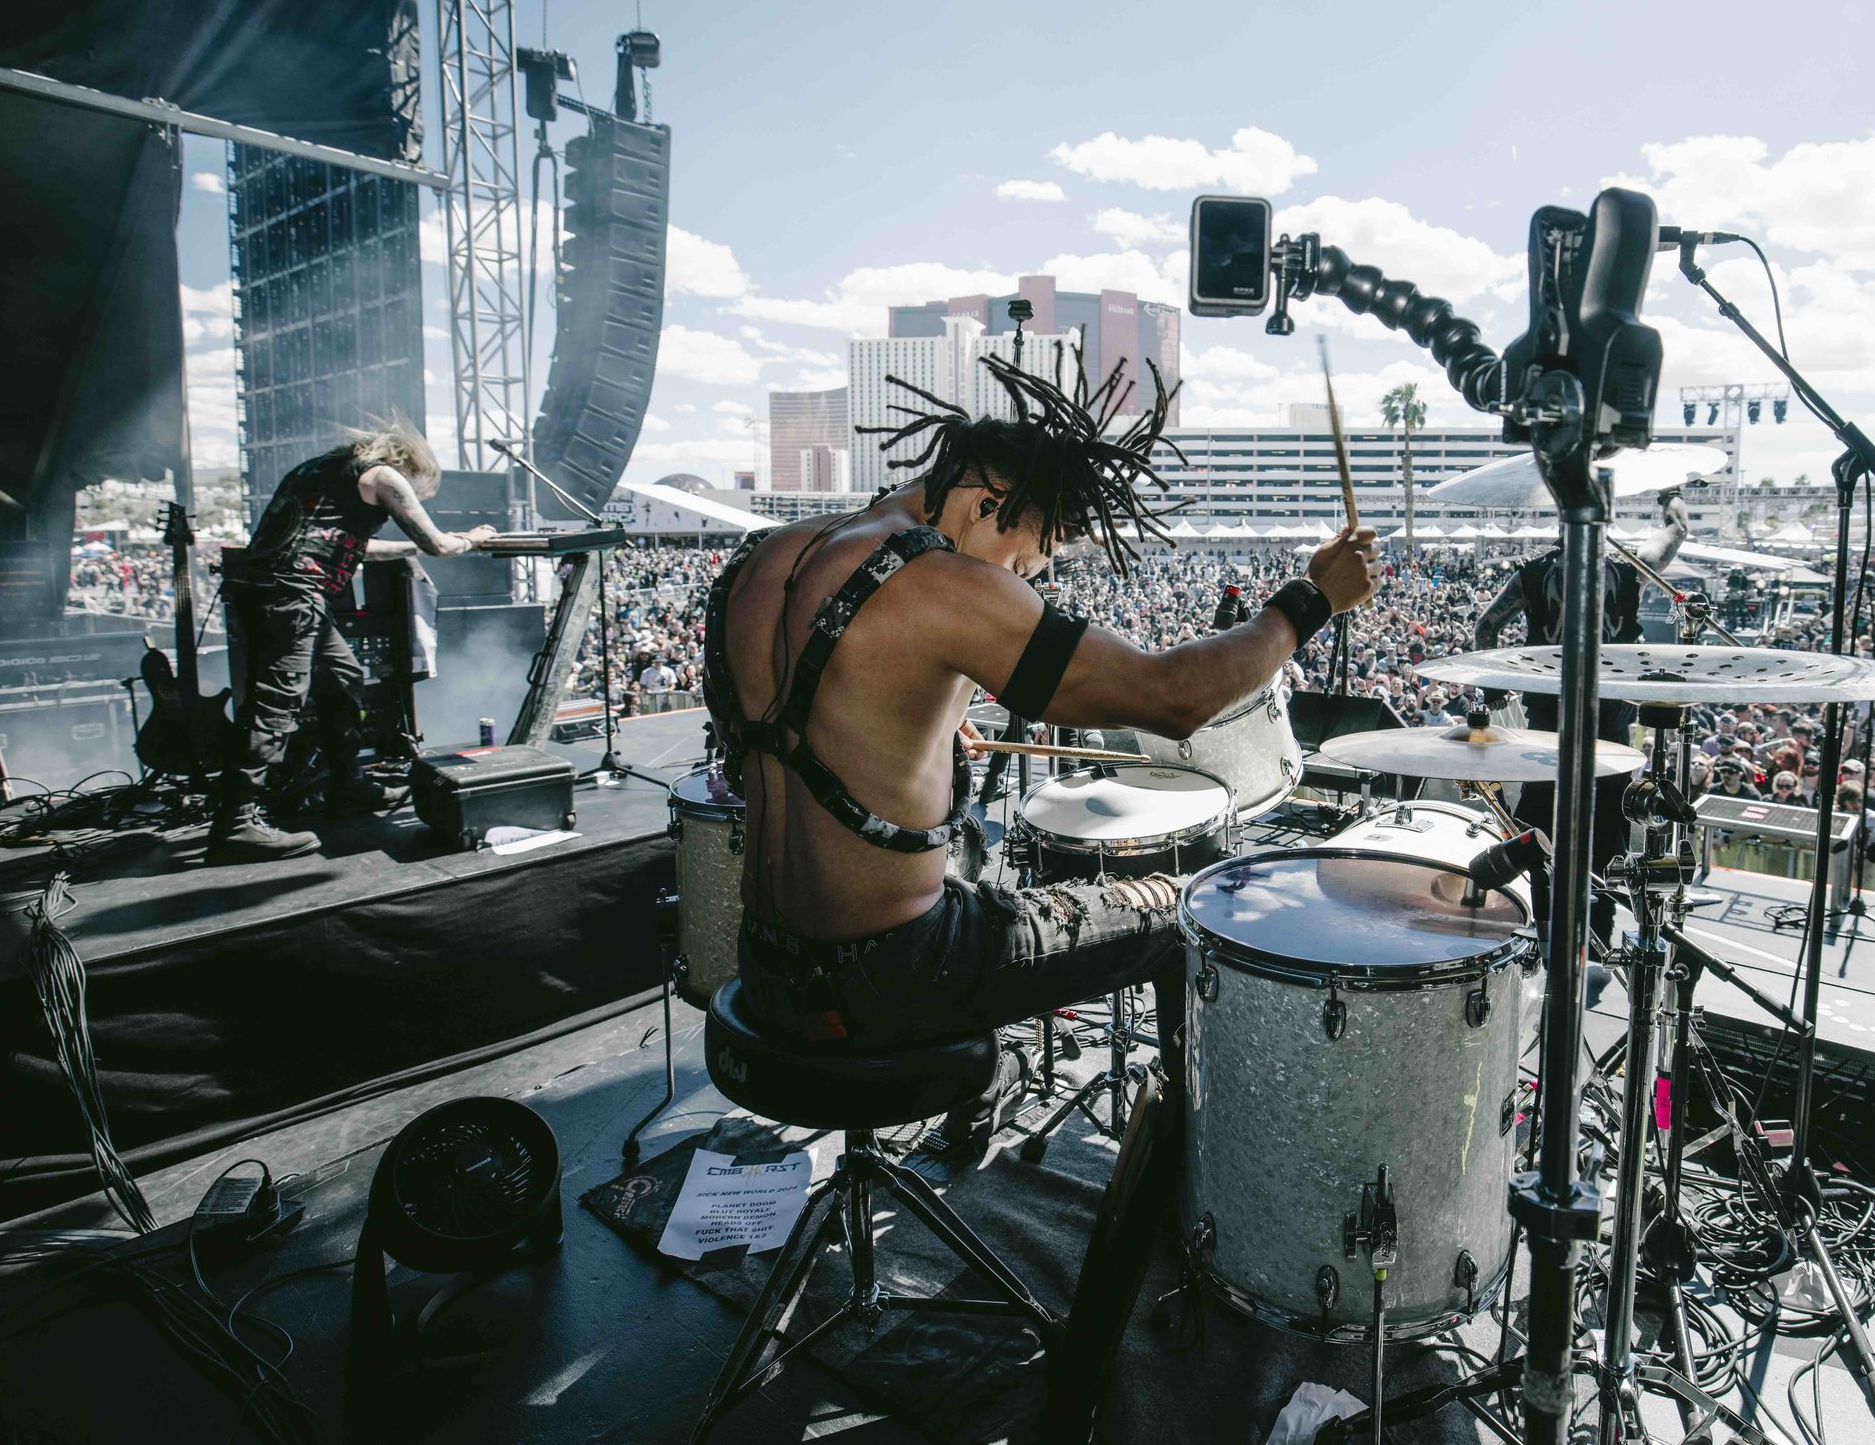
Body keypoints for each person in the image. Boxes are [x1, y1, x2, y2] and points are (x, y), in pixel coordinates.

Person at [700, 357, 1381, 1129]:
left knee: (968, 870)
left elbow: (780, 731)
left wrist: (912, 731)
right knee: (1184, 912)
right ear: (988, 502)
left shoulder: (770, 556)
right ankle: (1185, 1171)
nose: (1024, 584)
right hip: (893, 974)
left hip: (765, 959)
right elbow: (1173, 698)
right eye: (1027, 563)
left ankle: (978, 1101)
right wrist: (1311, 600)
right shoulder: (935, 583)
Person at [210, 423, 493, 863]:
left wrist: (410, 549)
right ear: (412, 468)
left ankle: (347, 785)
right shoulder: (384, 476)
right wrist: (474, 539)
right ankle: (236, 822)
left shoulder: (319, 471)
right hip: (294, 595)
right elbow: (438, 544)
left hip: (275, 590)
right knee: (275, 703)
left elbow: (353, 546)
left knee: (344, 676)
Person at [1470, 489, 1688, 884]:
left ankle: (1534, 888)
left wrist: (1494, 688)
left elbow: (1486, 626)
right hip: (1609, 709)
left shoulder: (1534, 572)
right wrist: (1670, 494)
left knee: (1538, 805)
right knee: (1609, 809)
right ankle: (1601, 897)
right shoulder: (1627, 570)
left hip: (1550, 708)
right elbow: (1678, 529)